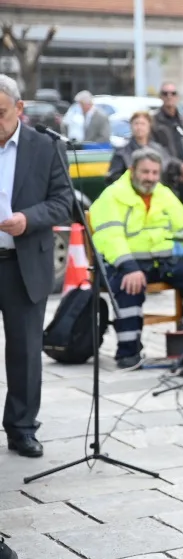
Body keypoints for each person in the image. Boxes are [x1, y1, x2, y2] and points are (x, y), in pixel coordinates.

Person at [0, 74, 72, 464]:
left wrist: (27, 219)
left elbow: (63, 202)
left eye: (0, 114)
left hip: (23, 262)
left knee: (26, 351)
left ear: (20, 109)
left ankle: (22, 428)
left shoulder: (44, 147)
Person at [89, 148, 183, 369]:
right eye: (145, 172)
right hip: (123, 263)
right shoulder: (112, 196)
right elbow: (110, 237)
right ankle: (128, 352)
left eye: (155, 173)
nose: (150, 178)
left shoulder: (164, 194)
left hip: (162, 261)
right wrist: (128, 266)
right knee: (129, 285)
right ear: (132, 171)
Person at [149, 81, 183, 219]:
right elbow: (155, 149)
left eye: (173, 93)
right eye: (165, 93)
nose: (169, 96)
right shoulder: (154, 121)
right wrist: (178, 166)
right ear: (161, 96)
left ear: (177, 97)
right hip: (168, 179)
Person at [105, 110, 180, 187]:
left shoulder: (159, 149)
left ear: (149, 126)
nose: (139, 127)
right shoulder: (122, 152)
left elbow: (169, 172)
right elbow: (113, 177)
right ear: (131, 126)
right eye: (136, 124)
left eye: (143, 124)